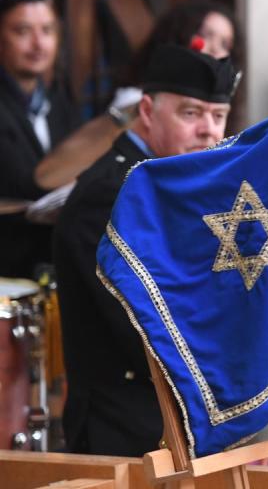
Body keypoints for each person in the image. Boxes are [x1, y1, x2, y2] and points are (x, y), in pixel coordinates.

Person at [54, 46, 238, 455]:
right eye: (191, 113)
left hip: (196, 409)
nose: (209, 130)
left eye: (219, 116)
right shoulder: (109, 194)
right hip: (135, 425)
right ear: (148, 111)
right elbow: (147, 334)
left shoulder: (179, 180)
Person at [34, 0, 244, 192]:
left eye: (225, 44)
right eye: (190, 113)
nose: (215, 49)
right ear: (147, 111)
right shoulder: (132, 105)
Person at [0, 0, 80, 279]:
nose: (38, 43)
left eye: (46, 30)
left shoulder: (59, 101)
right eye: (22, 31)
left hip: (51, 258)